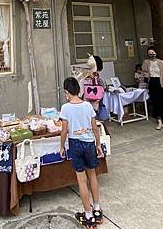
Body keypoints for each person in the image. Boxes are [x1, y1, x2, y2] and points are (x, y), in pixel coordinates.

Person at [60, 77, 103, 229]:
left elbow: (64, 130)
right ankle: (97, 209)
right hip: (89, 142)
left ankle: (88, 215)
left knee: (81, 180)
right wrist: (98, 144)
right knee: (92, 175)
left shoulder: (65, 108)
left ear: (67, 92)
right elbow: (95, 127)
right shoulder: (87, 106)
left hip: (75, 144)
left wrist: (62, 147)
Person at [142, 48, 163, 130]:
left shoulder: (161, 63)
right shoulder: (146, 62)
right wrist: (145, 77)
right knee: (155, 102)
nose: (151, 55)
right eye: (150, 53)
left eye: (153, 53)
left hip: (161, 83)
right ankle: (159, 121)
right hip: (152, 83)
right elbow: (144, 72)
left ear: (156, 53)